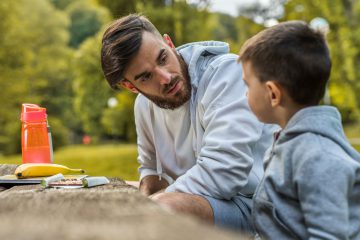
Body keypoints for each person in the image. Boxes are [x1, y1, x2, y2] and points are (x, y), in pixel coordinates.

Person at [101, 14, 275, 232]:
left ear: (170, 44)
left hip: (262, 207)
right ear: (131, 86)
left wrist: (154, 203)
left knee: (163, 209)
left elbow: (224, 173)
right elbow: (150, 169)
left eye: (162, 58)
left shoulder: (226, 74)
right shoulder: (143, 106)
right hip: (210, 202)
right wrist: (147, 195)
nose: (165, 78)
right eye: (146, 77)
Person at [238, 20, 360, 239]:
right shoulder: (289, 142)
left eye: (247, 85)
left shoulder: (318, 157)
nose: (245, 94)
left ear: (273, 93)